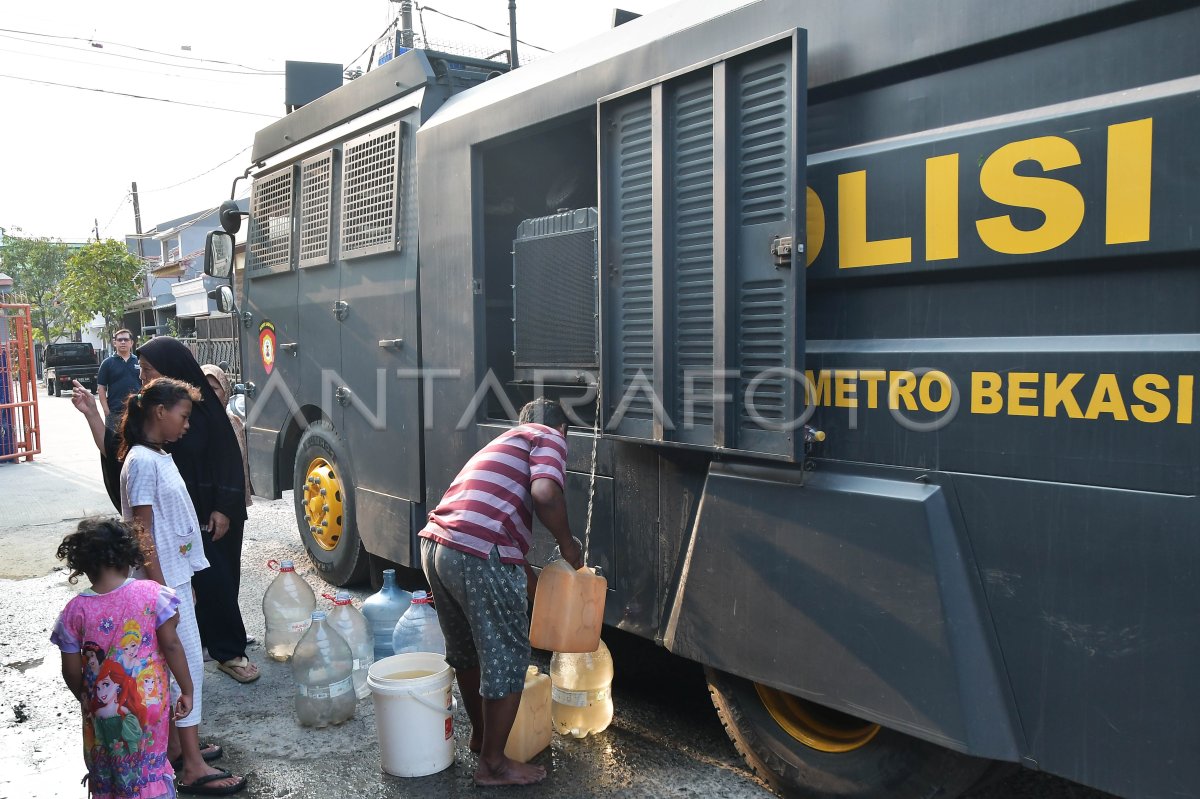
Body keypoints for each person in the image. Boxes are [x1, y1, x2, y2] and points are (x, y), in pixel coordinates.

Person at [72, 337, 259, 686]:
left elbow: (229, 461)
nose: (142, 377)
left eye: (148, 370)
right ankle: (189, 657)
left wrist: (223, 508)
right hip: (172, 523)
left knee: (217, 584)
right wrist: (92, 414)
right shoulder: (148, 435)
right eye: (141, 371)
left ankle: (229, 651)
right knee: (181, 592)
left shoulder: (204, 414)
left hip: (213, 517)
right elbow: (116, 450)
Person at [419, 397, 584, 786]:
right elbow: (545, 495)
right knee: (508, 656)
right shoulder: (549, 436)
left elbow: (498, 539)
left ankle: (481, 739)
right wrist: (568, 544)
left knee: (466, 652)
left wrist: (538, 591)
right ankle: (493, 764)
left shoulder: (504, 445)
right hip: (477, 552)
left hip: (437, 546)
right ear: (562, 429)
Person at [118, 377, 247, 795]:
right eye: (183, 416)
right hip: (162, 585)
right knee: (185, 668)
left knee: (178, 670)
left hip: (175, 578)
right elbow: (141, 529)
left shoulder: (158, 455)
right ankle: (191, 766)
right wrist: (160, 593)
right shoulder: (141, 461)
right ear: (160, 412)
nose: (186, 425)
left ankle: (177, 748)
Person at [51, 518, 194, 799]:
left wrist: (85, 694)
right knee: (147, 765)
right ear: (128, 557)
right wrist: (187, 690)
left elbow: (69, 670)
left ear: (83, 566)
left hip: (101, 710)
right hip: (147, 704)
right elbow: (172, 645)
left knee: (110, 764)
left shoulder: (73, 611)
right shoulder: (152, 594)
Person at [97, 330, 140, 430]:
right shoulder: (107, 363)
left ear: (131, 343)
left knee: (136, 443)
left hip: (136, 411)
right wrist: (106, 411)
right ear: (114, 343)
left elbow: (147, 383)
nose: (123, 342)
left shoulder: (139, 361)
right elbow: (101, 388)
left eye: (126, 339)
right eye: (120, 340)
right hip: (115, 412)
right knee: (113, 443)